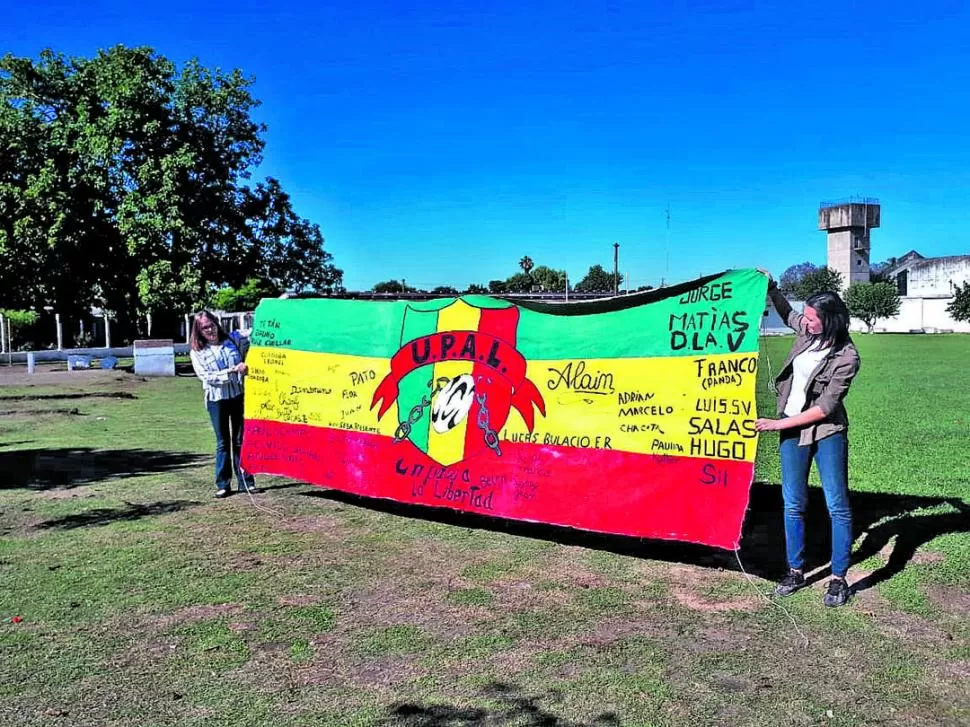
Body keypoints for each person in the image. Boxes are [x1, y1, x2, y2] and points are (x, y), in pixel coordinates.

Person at [755, 271, 861, 607]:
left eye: (813, 318)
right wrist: (771, 287)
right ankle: (796, 570)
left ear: (829, 321)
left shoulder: (847, 357)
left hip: (826, 432)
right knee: (793, 502)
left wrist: (775, 425)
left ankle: (839, 578)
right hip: (790, 427)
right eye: (808, 317)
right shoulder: (807, 333)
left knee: (837, 504)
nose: (806, 321)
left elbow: (825, 408)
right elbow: (788, 313)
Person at [189, 311, 261, 498]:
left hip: (237, 396)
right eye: (205, 327)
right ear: (198, 330)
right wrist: (232, 371)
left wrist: (266, 311)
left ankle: (246, 481)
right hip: (216, 400)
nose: (210, 330)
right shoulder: (198, 351)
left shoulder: (232, 339)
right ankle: (223, 484)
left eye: (211, 324)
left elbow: (256, 331)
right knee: (223, 442)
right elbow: (206, 377)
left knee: (240, 440)